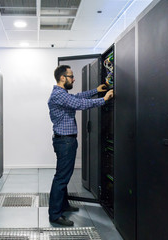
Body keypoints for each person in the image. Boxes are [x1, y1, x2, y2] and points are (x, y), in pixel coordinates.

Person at [48, 65, 114, 226]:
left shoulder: (61, 93)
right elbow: (80, 104)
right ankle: (55, 214)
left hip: (65, 140)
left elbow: (77, 97)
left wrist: (95, 90)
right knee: (61, 178)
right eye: (71, 76)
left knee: (63, 175)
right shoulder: (59, 95)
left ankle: (63, 205)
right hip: (65, 141)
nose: (74, 78)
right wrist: (104, 99)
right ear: (63, 78)